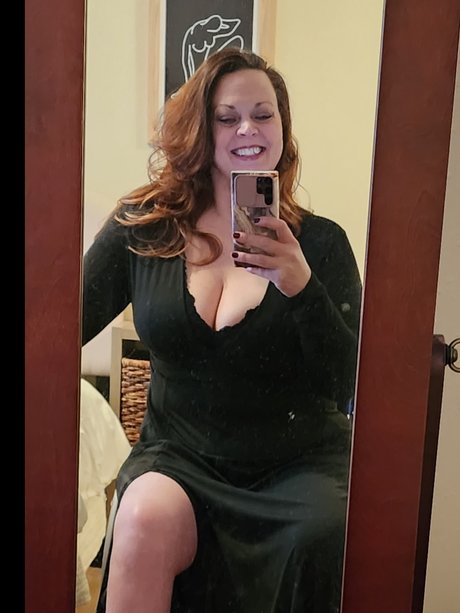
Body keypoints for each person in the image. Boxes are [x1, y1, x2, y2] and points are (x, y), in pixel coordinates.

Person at [83, 47, 362, 613]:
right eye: (227, 117)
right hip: (179, 457)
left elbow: (350, 384)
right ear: (199, 131)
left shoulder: (322, 243)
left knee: (321, 536)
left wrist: (301, 286)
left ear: (283, 127)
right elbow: (56, 326)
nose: (248, 129)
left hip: (299, 466)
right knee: (140, 517)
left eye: (263, 114)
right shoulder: (145, 227)